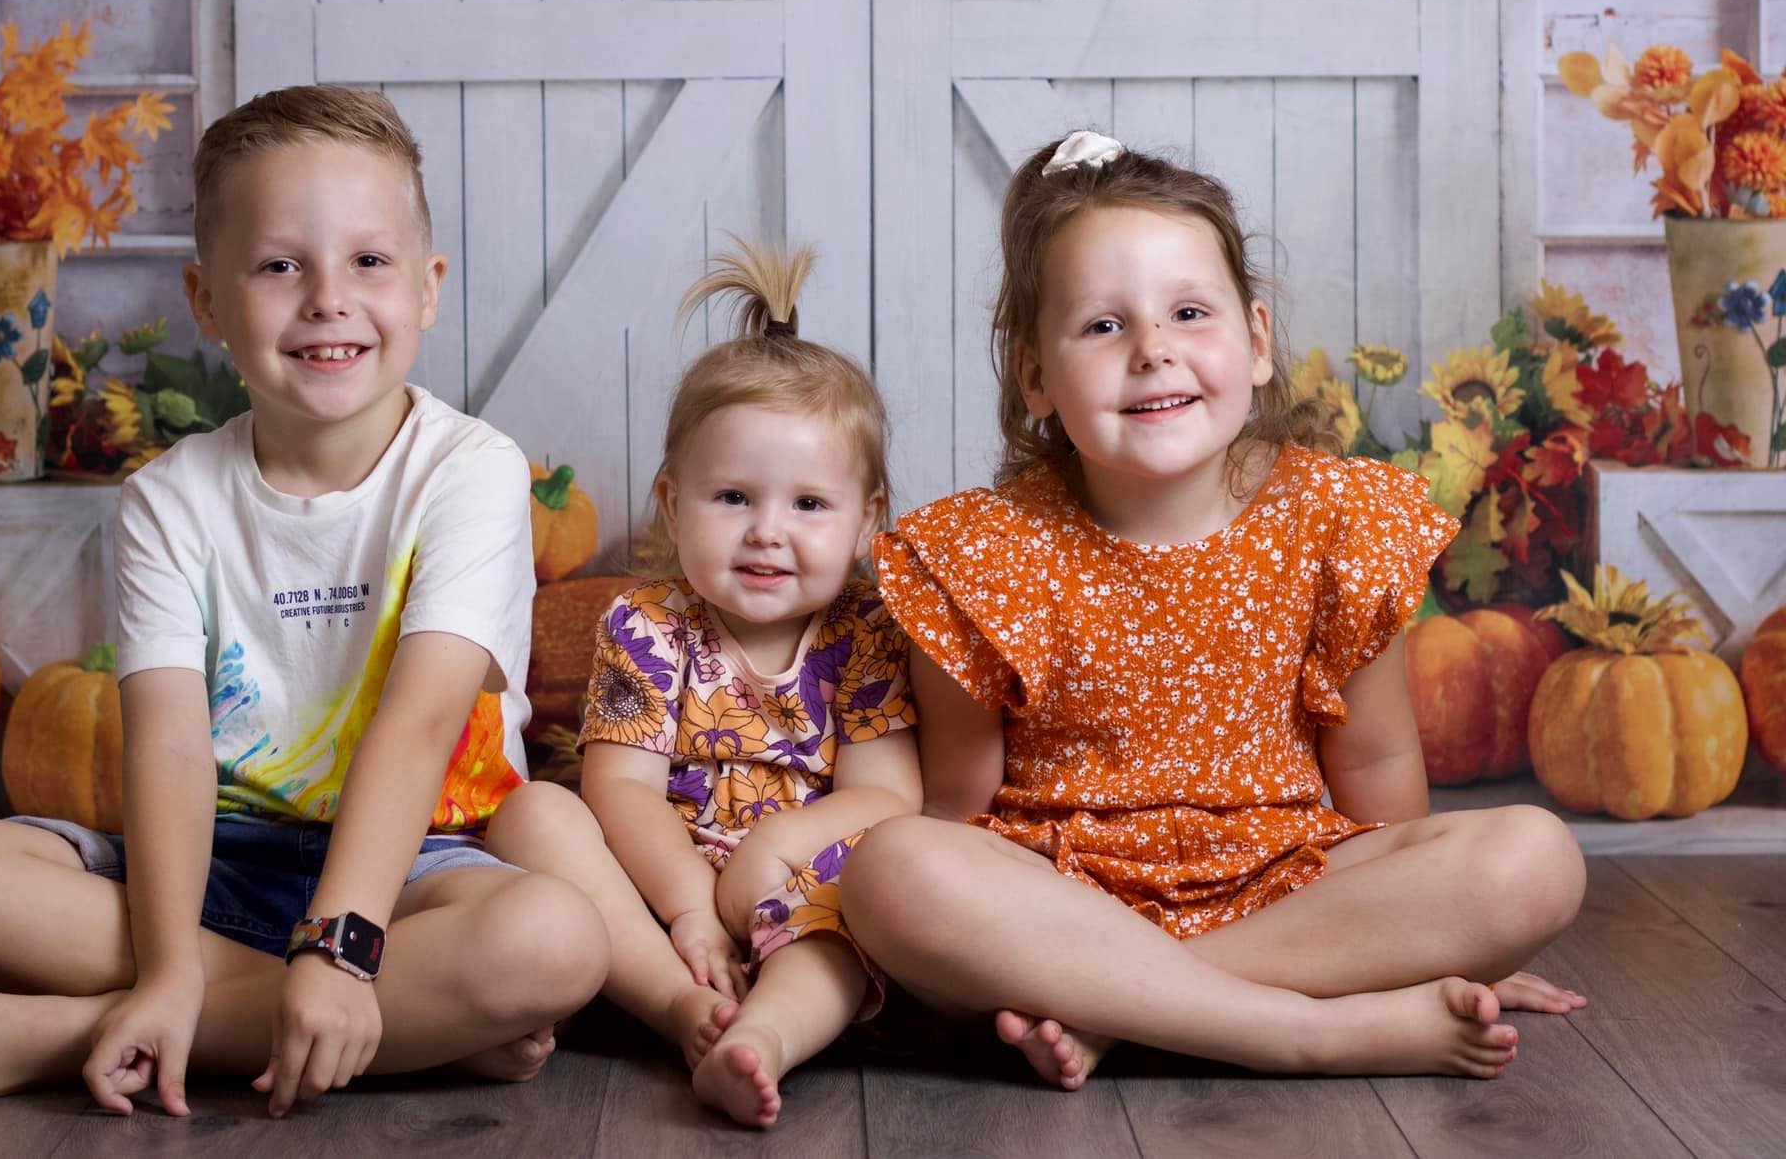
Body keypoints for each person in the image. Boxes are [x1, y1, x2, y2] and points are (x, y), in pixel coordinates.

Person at [0, 85, 607, 1116]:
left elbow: (418, 722)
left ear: (429, 285)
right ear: (208, 301)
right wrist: (172, 962)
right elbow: (169, 746)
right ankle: (356, 1023)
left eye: (368, 259)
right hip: (215, 862)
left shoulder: (469, 470)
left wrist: (345, 944)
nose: (327, 297)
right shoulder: (167, 499)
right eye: (278, 264)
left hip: (411, 870)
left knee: (553, 937)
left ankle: (82, 1029)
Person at [840, 131, 1588, 1087]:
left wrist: (1431, 931)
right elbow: (958, 807)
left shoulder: (1334, 520)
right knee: (895, 869)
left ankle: (1138, 1009)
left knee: (1534, 859)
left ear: (1257, 340)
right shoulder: (981, 554)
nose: (1155, 351)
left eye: (1190, 312)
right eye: (1103, 327)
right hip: (1063, 903)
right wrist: (970, 929)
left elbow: (1378, 764)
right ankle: (1299, 1029)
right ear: (1034, 377)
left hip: (1287, 891)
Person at [485, 242, 919, 1127]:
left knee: (841, 934)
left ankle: (761, 1037)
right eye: (732, 499)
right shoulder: (646, 624)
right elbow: (620, 791)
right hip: (654, 898)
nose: (767, 533)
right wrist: (688, 909)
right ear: (673, 503)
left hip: (801, 889)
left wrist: (773, 853)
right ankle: (676, 1003)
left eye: (807, 505)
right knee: (534, 815)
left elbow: (888, 795)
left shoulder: (869, 631)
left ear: (866, 520)